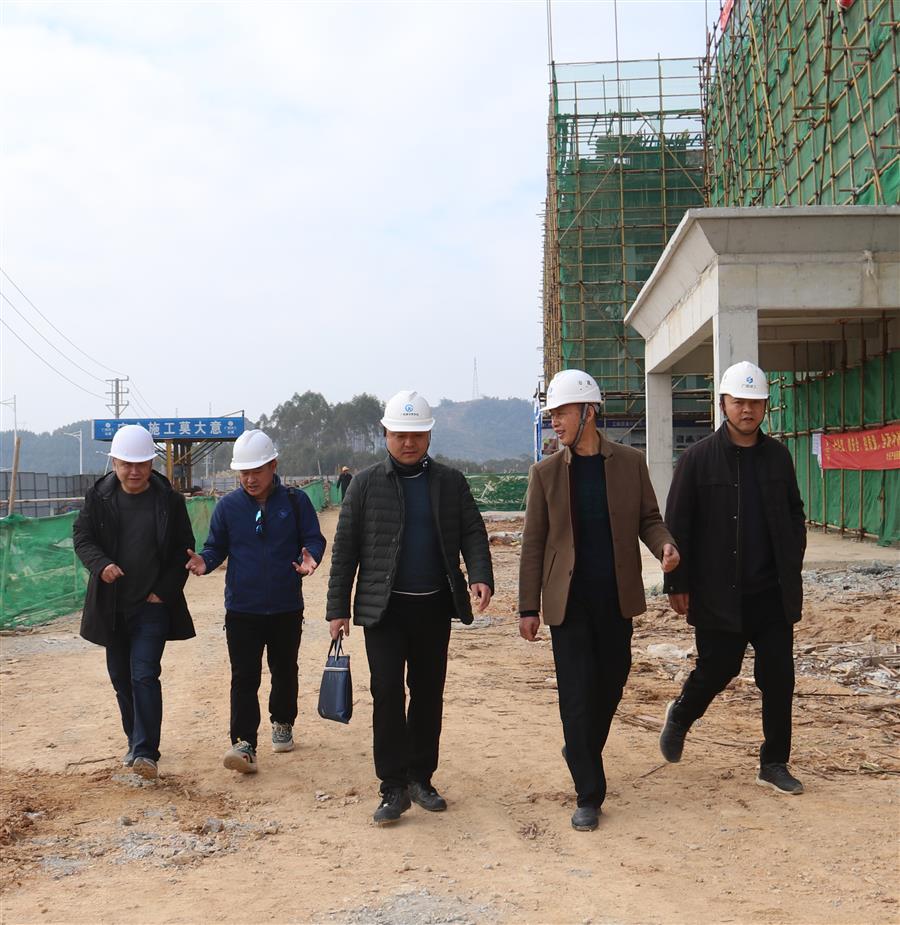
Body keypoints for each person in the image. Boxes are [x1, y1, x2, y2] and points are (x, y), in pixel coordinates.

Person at [518, 370, 680, 832]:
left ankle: (580, 748)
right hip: (567, 602)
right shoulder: (546, 473)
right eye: (551, 415)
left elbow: (649, 519)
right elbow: (533, 542)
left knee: (611, 682)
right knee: (576, 694)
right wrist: (528, 607)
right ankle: (589, 793)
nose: (555, 423)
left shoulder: (630, 463)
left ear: (588, 412)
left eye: (562, 413)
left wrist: (664, 545)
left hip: (614, 597)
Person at [326, 390, 494, 826]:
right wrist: (337, 608)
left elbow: (473, 531)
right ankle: (392, 787)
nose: (408, 443)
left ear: (429, 436)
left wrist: (480, 574)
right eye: (400, 435)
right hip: (384, 612)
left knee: (427, 693)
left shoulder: (449, 482)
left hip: (433, 609)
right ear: (385, 434)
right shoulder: (365, 485)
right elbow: (345, 550)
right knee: (386, 694)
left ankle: (421, 778)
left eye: (416, 435)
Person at [659, 361, 807, 795]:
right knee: (718, 668)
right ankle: (681, 715)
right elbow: (678, 525)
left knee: (778, 677)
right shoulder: (697, 459)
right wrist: (677, 584)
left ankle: (774, 762)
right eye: (739, 401)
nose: (747, 410)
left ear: (765, 406)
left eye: (755, 402)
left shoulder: (778, 457)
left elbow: (794, 512)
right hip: (718, 591)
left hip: (772, 591)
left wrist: (792, 556)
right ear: (722, 404)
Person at [185, 429, 325, 774]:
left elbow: (313, 539)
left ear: (273, 466)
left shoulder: (295, 502)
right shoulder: (228, 507)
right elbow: (216, 547)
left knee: (284, 669)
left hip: (285, 605)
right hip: (242, 608)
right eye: (244, 472)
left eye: (256, 471)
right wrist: (205, 562)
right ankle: (244, 743)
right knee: (244, 676)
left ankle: (283, 722)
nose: (250, 479)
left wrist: (311, 558)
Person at [73, 424, 196, 780]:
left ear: (151, 463)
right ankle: (134, 740)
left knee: (144, 674)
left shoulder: (169, 501)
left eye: (141, 463)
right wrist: (101, 565)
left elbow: (183, 549)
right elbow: (82, 536)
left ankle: (146, 753)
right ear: (114, 462)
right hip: (112, 606)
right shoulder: (98, 497)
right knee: (121, 678)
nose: (134, 471)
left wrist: (164, 591)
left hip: (151, 606)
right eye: (126, 464)